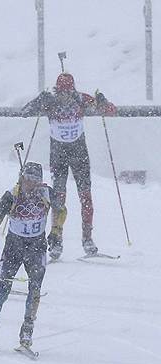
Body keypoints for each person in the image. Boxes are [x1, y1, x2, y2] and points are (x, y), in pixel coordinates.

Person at [22, 73, 117, 258]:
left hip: (79, 154)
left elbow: (111, 111)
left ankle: (87, 239)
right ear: (57, 90)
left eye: (68, 92)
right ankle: (56, 241)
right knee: (58, 199)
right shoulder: (50, 101)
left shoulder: (80, 99)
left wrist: (102, 101)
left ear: (72, 90)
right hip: (59, 156)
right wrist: (38, 100)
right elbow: (25, 112)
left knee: (86, 197)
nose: (64, 96)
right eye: (61, 92)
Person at [0, 162, 53, 353]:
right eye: (26, 178)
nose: (29, 184)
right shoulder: (11, 196)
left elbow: (62, 211)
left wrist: (56, 231)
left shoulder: (46, 194)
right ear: (21, 177)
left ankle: (26, 334)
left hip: (36, 249)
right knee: (1, 291)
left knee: (35, 290)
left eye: (34, 180)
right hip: (13, 250)